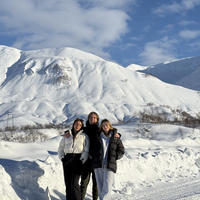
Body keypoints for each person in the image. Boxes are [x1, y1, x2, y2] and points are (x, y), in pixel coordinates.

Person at [64, 112, 120, 200]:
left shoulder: (99, 130)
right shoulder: (84, 129)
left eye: (94, 118)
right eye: (91, 117)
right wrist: (67, 132)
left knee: (96, 183)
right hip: (86, 160)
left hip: (97, 160)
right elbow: (75, 130)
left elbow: (110, 130)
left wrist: (118, 134)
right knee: (84, 182)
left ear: (97, 119)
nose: (92, 119)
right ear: (88, 119)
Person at [92, 119, 125, 200]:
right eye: (103, 125)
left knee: (107, 187)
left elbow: (121, 150)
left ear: (109, 126)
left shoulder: (115, 137)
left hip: (109, 165)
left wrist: (114, 157)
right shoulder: (97, 136)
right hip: (98, 164)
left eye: (106, 125)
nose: (105, 127)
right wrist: (94, 156)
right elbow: (91, 149)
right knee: (100, 187)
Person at [58, 118, 90, 200]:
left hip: (78, 160)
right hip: (67, 160)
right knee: (68, 184)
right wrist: (62, 158)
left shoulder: (84, 136)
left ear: (81, 126)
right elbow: (61, 148)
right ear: (73, 124)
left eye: (80, 125)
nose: (77, 126)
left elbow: (86, 150)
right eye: (76, 124)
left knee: (74, 183)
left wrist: (82, 160)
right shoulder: (67, 136)